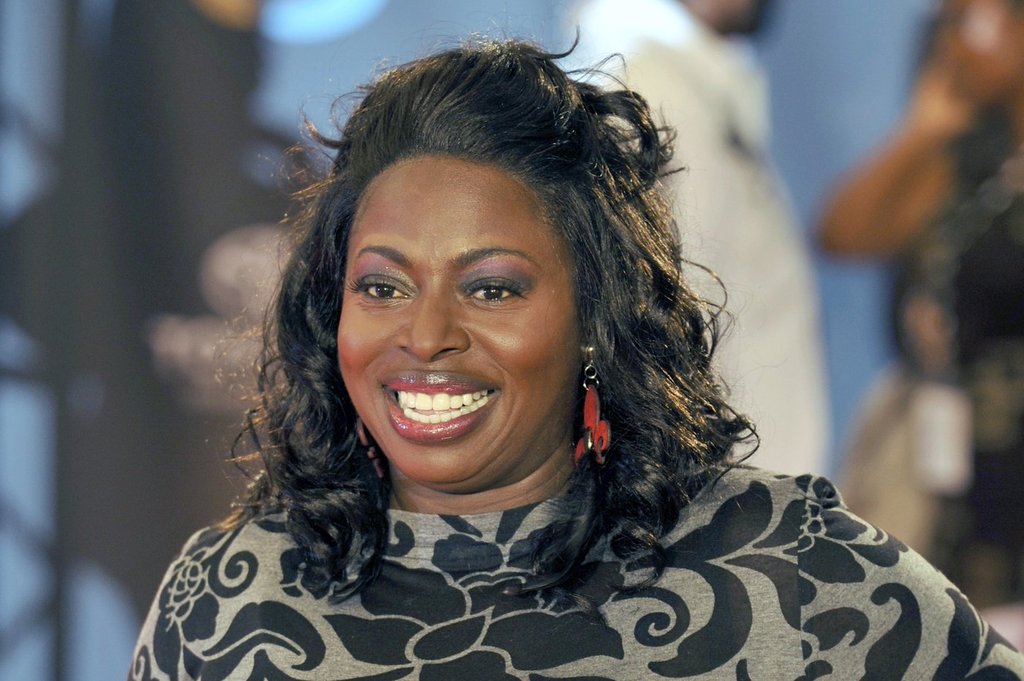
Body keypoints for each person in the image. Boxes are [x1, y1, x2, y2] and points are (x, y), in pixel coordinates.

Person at [128, 39, 1024, 680]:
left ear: (598, 314)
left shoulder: (787, 574)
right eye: (383, 286)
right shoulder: (230, 600)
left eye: (491, 288)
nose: (425, 335)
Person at [819, 0, 1024, 609]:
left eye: (969, 22)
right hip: (954, 470)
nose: (949, 43)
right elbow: (844, 234)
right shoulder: (970, 163)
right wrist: (924, 130)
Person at [570, 0, 829, 476]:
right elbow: (673, 299)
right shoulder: (646, 79)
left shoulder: (686, 77)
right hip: (719, 477)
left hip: (752, 473)